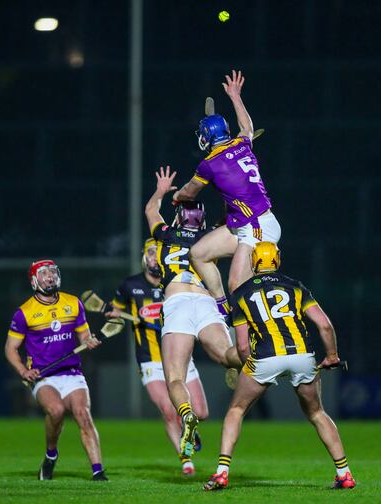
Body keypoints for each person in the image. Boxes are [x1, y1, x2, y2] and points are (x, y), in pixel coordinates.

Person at [203, 242, 356, 491]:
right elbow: (325, 325)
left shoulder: (241, 293)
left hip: (265, 357)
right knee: (317, 413)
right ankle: (344, 473)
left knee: (237, 410)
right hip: (302, 357)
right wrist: (331, 356)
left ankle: (221, 472)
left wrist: (247, 367)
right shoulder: (296, 286)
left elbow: (242, 346)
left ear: (254, 262)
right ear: (278, 260)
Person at [145, 165, 242, 460]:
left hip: (176, 304)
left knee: (175, 377)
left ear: (178, 218)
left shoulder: (164, 235)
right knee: (228, 356)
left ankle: (186, 414)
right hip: (206, 302)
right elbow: (237, 225)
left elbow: (150, 210)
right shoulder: (209, 238)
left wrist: (161, 192)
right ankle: (260, 357)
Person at [172, 69, 281, 304]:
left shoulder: (209, 164)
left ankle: (251, 329)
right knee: (198, 254)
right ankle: (223, 309)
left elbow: (189, 192)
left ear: (205, 137)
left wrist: (177, 196)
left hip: (256, 227)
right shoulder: (243, 144)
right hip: (244, 225)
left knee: (237, 285)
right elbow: (247, 127)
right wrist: (235, 95)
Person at [104, 237, 209, 476]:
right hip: (150, 360)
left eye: (157, 253)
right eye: (150, 253)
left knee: (201, 412)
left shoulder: (178, 283)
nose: (153, 257)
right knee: (169, 410)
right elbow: (116, 313)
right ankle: (186, 459)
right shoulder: (130, 285)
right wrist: (113, 314)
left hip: (180, 357)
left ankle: (190, 427)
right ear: (145, 257)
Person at [4, 259, 108, 481]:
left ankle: (98, 471)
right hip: (43, 377)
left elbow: (84, 335)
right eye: (44, 273)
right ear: (34, 280)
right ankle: (51, 455)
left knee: (83, 414)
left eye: (52, 272)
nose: (50, 276)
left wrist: (89, 341)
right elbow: (10, 349)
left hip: (71, 373)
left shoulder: (73, 303)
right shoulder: (24, 312)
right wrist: (23, 371)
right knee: (57, 410)